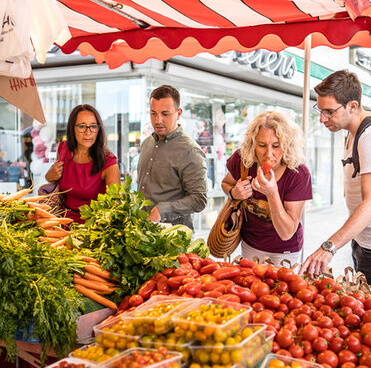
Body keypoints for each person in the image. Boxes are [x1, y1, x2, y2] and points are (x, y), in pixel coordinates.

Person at [300, 70, 371, 289]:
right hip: (367, 239)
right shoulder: (354, 130)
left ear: (352, 106)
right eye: (320, 109)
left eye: (329, 111)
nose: (322, 118)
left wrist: (329, 247)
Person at [221, 110, 312, 266]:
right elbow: (226, 183)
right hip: (249, 243)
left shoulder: (298, 173)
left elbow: (287, 232)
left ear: (287, 145)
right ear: (253, 144)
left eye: (276, 146)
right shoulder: (243, 159)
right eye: (262, 145)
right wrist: (234, 193)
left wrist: (272, 193)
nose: (268, 154)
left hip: (284, 251)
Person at [137, 85, 207, 229]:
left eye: (165, 114)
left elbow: (199, 199)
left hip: (174, 237)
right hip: (143, 232)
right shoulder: (146, 144)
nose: (158, 120)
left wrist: (162, 210)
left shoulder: (190, 151)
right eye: (153, 113)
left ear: (178, 113)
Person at [45, 104, 120, 223]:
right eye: (82, 126)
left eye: (93, 126)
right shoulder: (64, 149)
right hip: (62, 222)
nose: (88, 132)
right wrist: (49, 176)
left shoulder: (109, 163)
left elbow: (116, 207)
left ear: (98, 130)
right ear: (72, 128)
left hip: (93, 229)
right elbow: (54, 181)